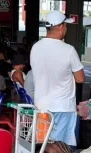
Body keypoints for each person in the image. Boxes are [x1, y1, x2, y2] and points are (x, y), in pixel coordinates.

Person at [30, 11, 85, 146]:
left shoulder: (35, 48)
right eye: (65, 26)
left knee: (43, 145)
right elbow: (80, 78)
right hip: (62, 107)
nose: (66, 29)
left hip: (41, 106)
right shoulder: (68, 50)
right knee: (59, 148)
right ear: (61, 27)